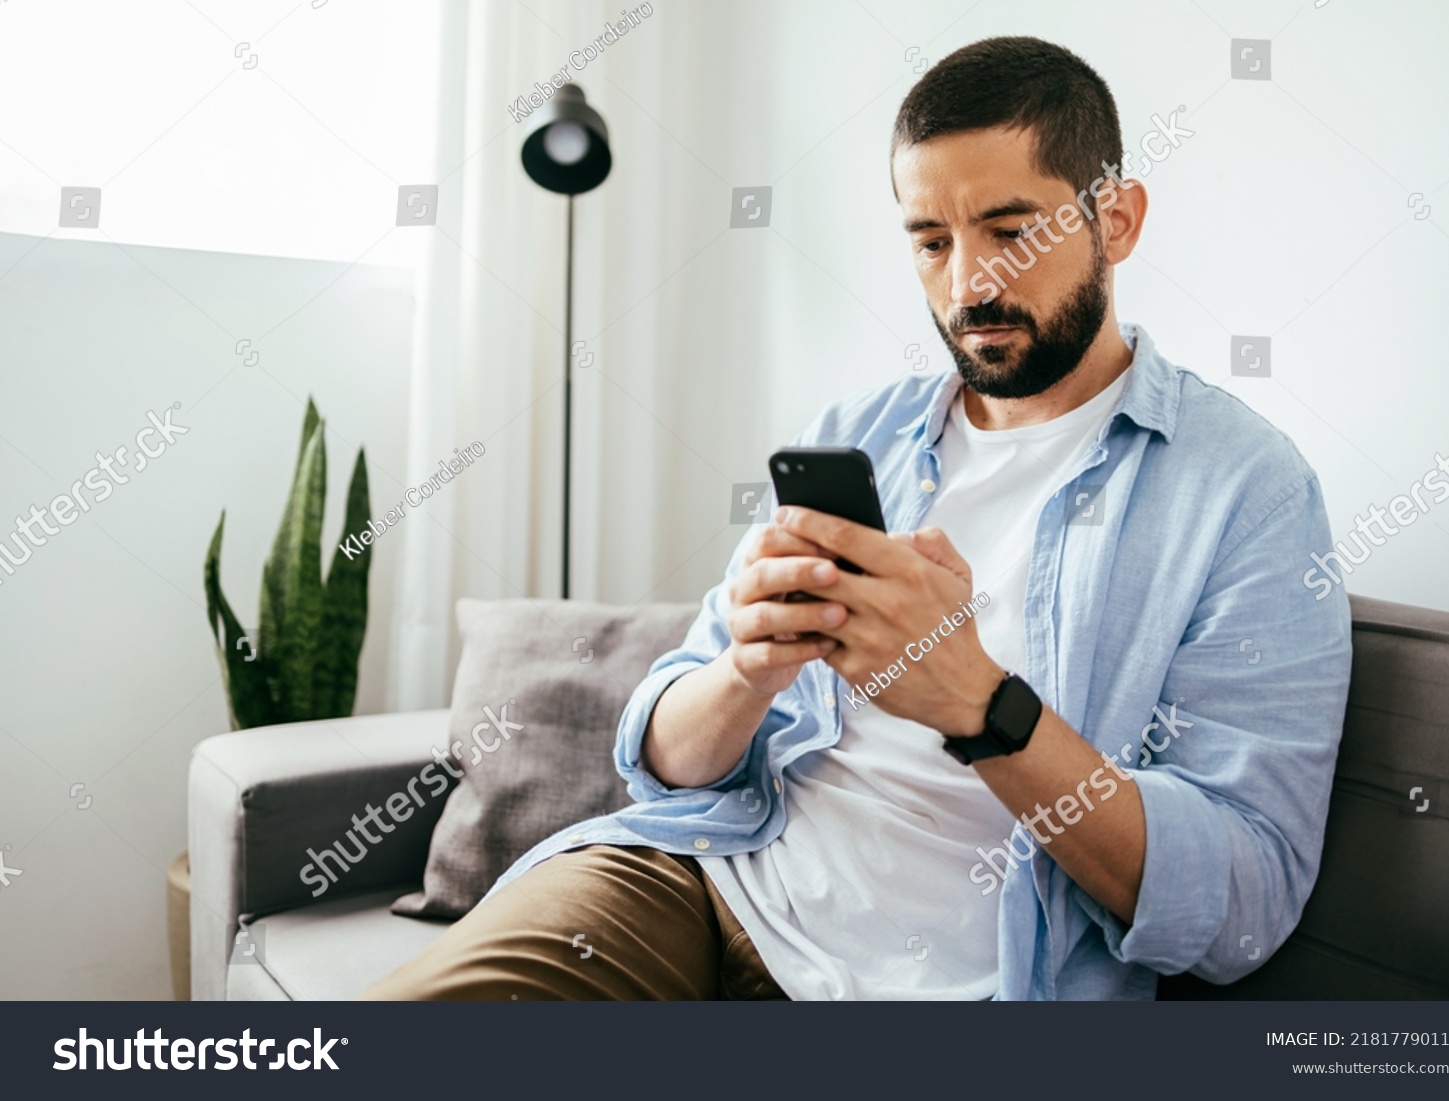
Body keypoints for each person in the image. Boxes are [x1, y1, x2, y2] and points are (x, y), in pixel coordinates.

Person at [367, 35, 1352, 1002]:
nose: (968, 284)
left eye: (1012, 231)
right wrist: (748, 672)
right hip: (703, 877)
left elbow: (1240, 905)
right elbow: (662, 763)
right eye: (932, 242)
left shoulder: (1246, 492)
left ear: (1119, 221)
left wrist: (978, 703)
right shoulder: (859, 436)